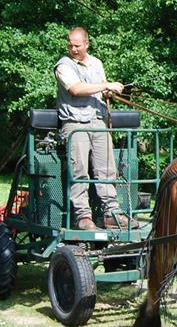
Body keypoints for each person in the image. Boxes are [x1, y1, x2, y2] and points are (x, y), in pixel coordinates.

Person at [54, 26, 130, 230]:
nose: (73, 48)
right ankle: (83, 217)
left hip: (98, 121)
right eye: (70, 44)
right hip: (75, 123)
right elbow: (76, 89)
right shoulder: (63, 65)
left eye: (77, 45)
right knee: (79, 171)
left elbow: (101, 90)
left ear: (87, 44)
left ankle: (111, 213)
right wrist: (106, 85)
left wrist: (110, 92)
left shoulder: (97, 63)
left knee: (107, 169)